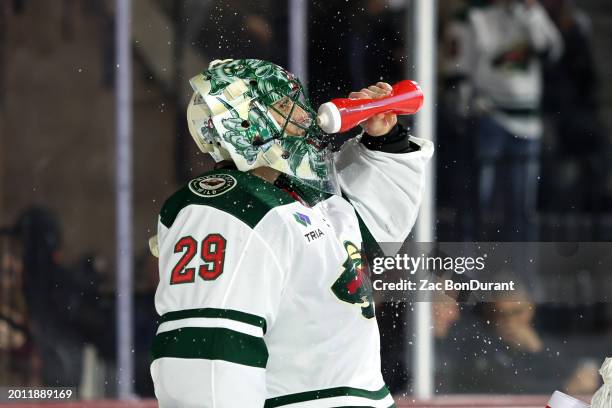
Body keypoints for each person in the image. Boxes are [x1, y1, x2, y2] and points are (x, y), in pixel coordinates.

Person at [149, 58, 433, 407]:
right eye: (285, 105)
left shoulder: (313, 201)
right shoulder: (228, 205)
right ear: (244, 123)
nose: (305, 117)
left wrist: (385, 138)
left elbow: (380, 230)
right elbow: (207, 357)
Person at [457, 0, 563, 240]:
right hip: (490, 115)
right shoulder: (478, 16)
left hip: (527, 121)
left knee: (522, 205)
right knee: (480, 201)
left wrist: (531, 13)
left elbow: (550, 49)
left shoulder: (532, 14)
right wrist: (468, 108)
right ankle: (473, 267)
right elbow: (465, 67)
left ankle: (521, 272)